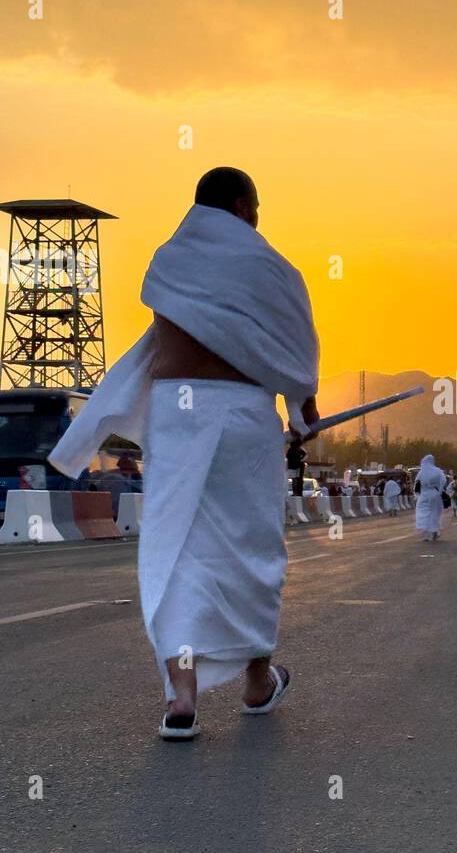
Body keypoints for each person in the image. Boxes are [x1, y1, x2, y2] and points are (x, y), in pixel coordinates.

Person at [49, 167, 319, 740]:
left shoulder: (169, 258)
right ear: (246, 206)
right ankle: (257, 681)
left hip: (179, 410)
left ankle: (182, 697)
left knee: (177, 548)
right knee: (252, 550)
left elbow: (167, 338)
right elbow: (293, 347)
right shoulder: (273, 269)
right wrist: (302, 414)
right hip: (245, 414)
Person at [415, 453, 446, 540]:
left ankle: (425, 534)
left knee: (423, 513)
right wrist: (439, 491)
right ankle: (434, 531)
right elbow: (443, 481)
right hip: (434, 494)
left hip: (424, 495)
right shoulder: (438, 471)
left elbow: (417, 484)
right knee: (434, 513)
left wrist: (416, 495)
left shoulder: (421, 472)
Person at [286, 432, 307, 497]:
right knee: (297, 480)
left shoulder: (290, 450)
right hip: (298, 467)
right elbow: (305, 455)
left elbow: (287, 457)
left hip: (292, 467)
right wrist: (301, 460)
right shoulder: (299, 449)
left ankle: (295, 492)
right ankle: (297, 492)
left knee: (294, 480)